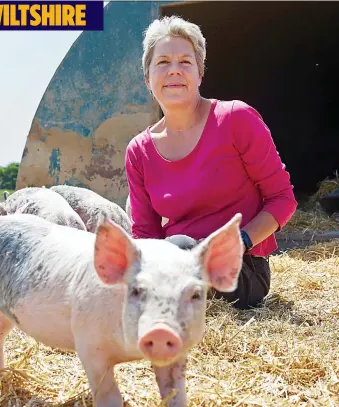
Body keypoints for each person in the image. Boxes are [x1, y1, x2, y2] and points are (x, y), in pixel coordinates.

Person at [125, 15, 298, 310]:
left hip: (239, 270)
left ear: (200, 73)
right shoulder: (139, 150)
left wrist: (239, 242)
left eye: (185, 62)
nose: (174, 71)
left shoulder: (235, 120)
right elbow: (145, 233)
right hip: (176, 264)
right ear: (148, 78)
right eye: (163, 62)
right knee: (168, 253)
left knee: (178, 248)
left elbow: (283, 199)